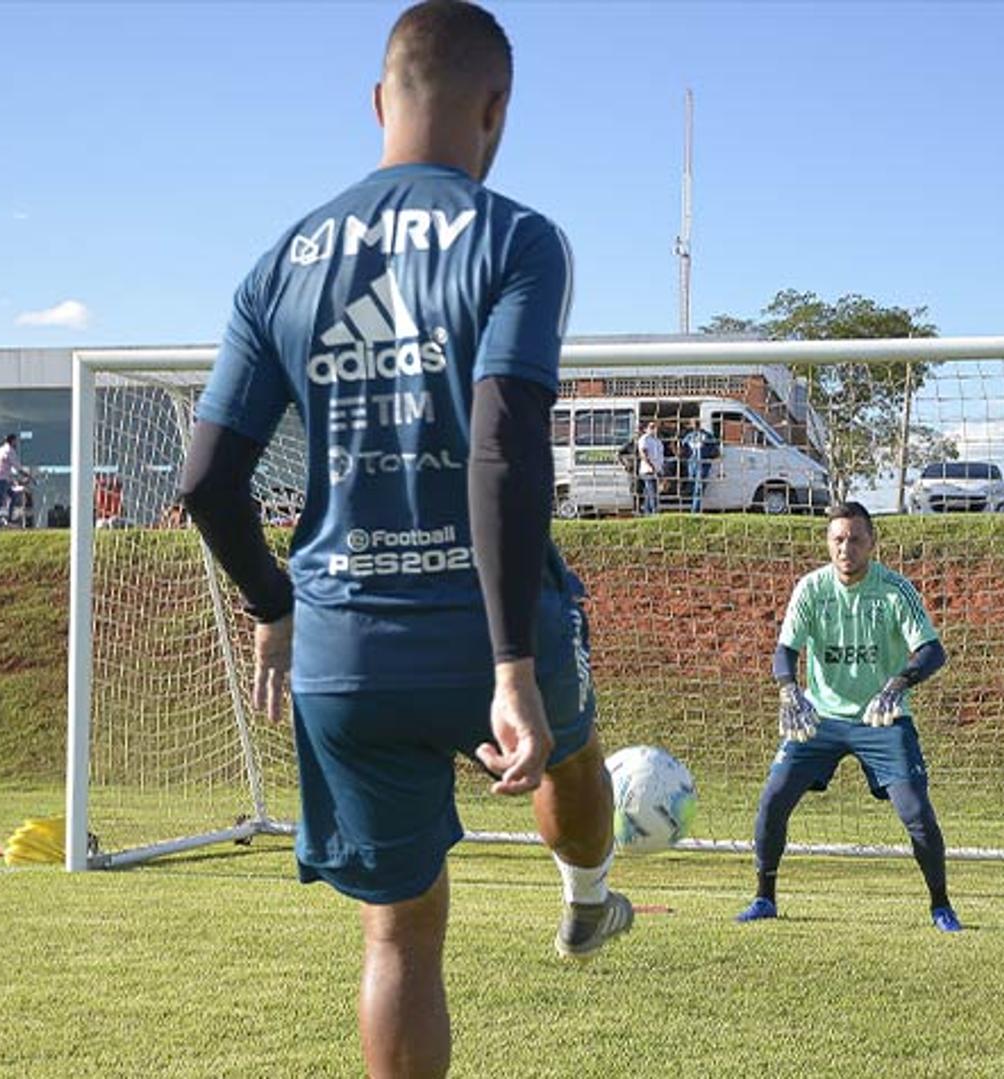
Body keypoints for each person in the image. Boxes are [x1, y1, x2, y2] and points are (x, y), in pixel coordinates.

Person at [176, 4, 629, 1076]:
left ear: (379, 102)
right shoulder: (517, 236)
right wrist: (512, 664)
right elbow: (504, 446)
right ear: (497, 108)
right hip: (486, 635)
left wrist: (276, 607)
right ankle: (589, 893)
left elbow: (203, 481)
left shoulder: (278, 261)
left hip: (344, 646)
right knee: (571, 748)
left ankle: (584, 892)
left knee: (399, 935)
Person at [737, 501, 960, 931]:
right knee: (773, 799)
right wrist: (789, 690)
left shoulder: (895, 591)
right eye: (838, 539)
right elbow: (784, 651)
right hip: (818, 718)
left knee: (916, 812)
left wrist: (896, 686)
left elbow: (933, 651)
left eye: (856, 539)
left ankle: (941, 905)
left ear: (872, 544)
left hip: (881, 719)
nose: (846, 548)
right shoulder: (811, 588)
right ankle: (764, 898)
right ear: (828, 543)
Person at [678, 418, 720, 513]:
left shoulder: (707, 436)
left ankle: (695, 511)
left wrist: (711, 457)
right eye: (693, 423)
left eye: (697, 423)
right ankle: (689, 506)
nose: (695, 425)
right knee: (693, 488)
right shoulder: (689, 436)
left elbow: (716, 451)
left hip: (703, 466)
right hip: (692, 466)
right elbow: (682, 450)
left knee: (698, 489)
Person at [0, 434, 28, 527]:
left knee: (12, 496)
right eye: (15, 441)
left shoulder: (0, 450)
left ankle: (8, 519)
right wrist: (27, 475)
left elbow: (8, 467)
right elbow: (17, 467)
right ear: (12, 441)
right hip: (2, 479)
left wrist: (15, 478)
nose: (16, 443)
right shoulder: (10, 451)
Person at [636, 420, 665, 515]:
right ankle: (655, 512)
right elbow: (643, 454)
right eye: (652, 427)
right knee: (652, 492)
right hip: (647, 470)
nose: (654, 429)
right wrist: (651, 466)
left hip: (657, 470)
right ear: (646, 429)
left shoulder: (658, 441)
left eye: (655, 427)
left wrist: (660, 470)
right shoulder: (644, 439)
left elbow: (660, 456)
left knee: (649, 493)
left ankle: (647, 512)